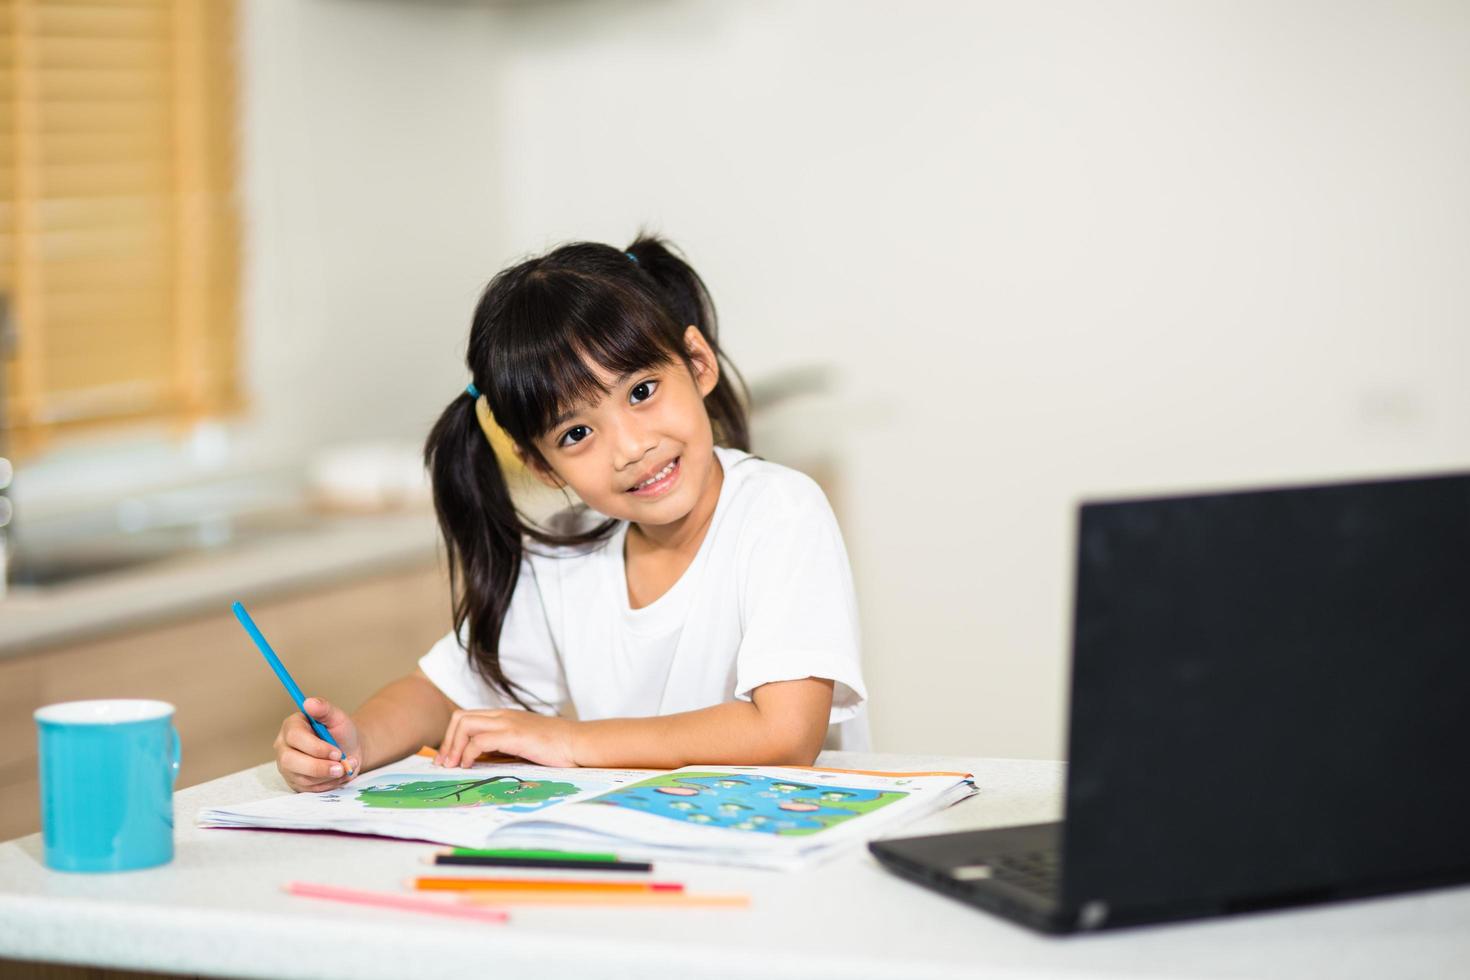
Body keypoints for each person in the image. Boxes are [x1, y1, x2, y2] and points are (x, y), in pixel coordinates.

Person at [273, 236, 868, 792]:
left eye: (641, 391)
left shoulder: (779, 511)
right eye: (578, 432)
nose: (631, 447)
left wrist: (571, 741)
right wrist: (356, 742)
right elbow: (445, 693)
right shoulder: (569, 547)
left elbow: (785, 735)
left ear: (698, 362)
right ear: (544, 467)